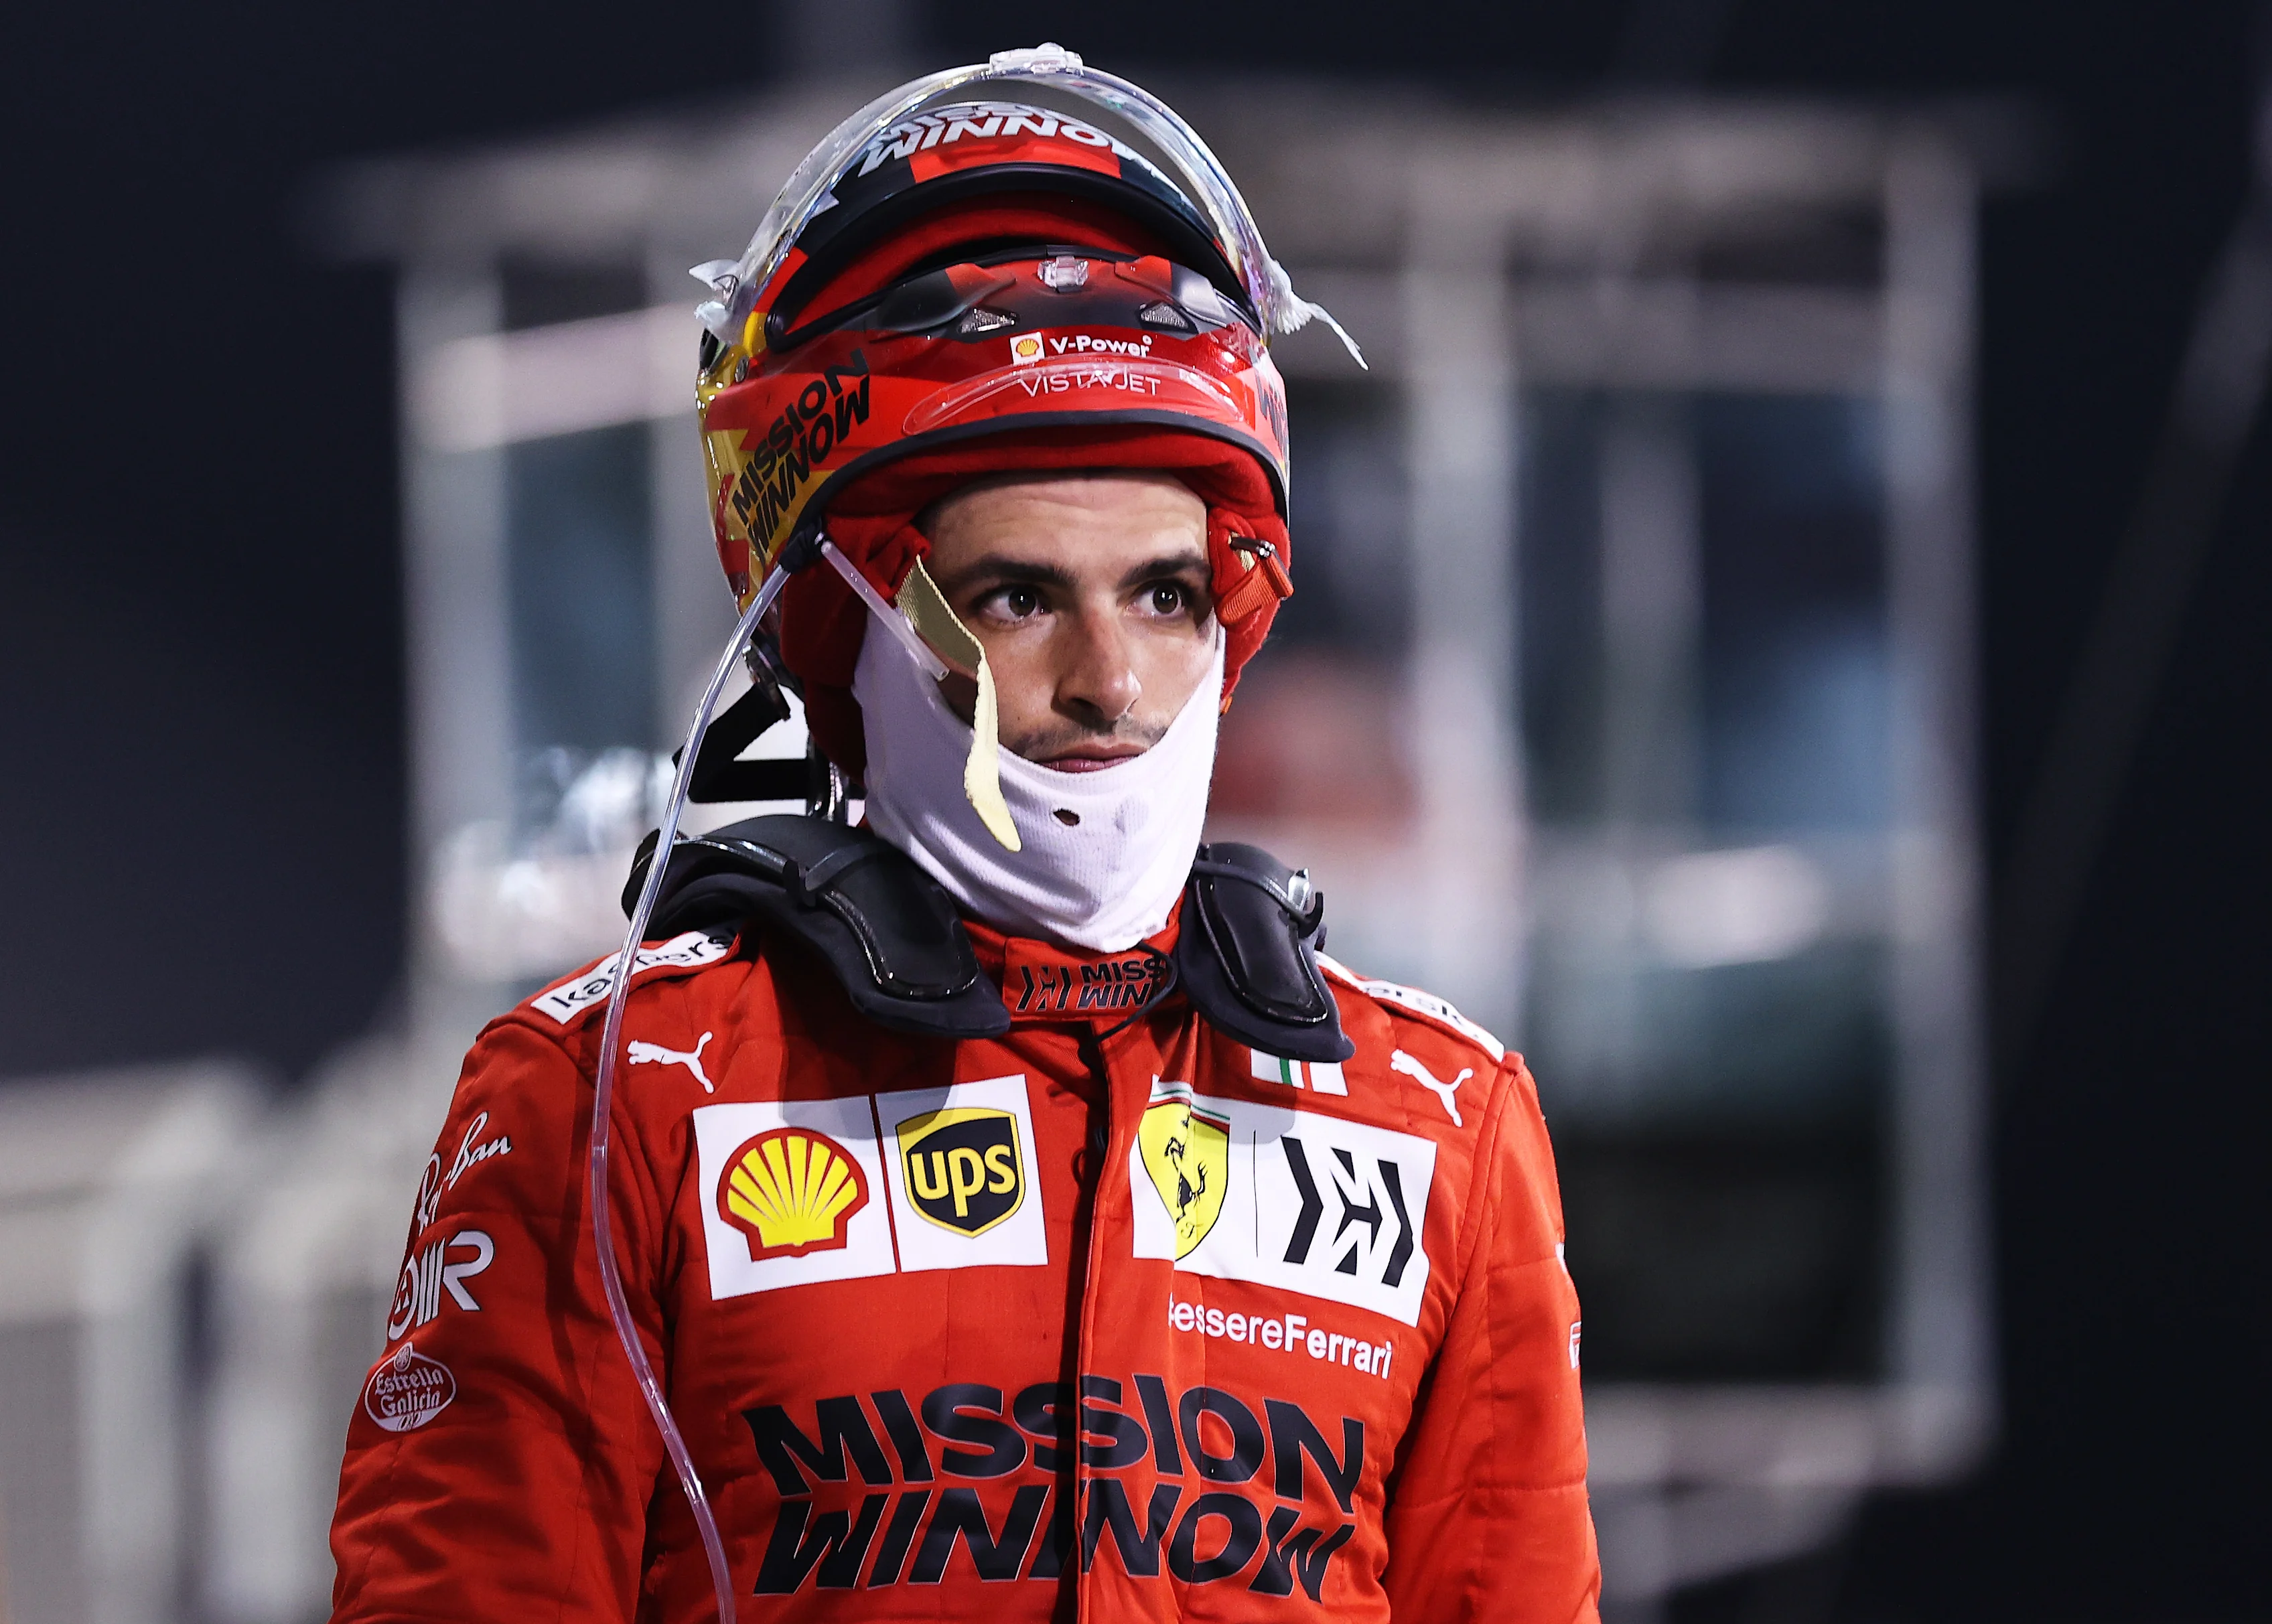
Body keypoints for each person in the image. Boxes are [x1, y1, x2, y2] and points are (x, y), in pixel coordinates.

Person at [329, 48, 1599, 1623]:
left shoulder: (1441, 1121)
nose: (1109, 682)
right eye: (1015, 597)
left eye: (1165, 593)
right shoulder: (614, 1101)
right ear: (844, 625)